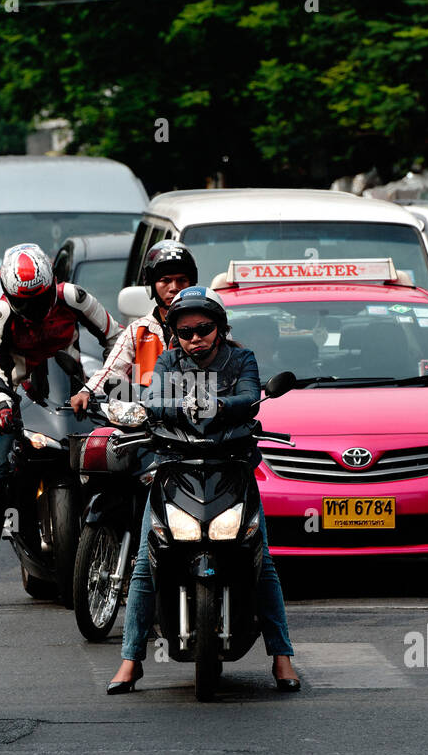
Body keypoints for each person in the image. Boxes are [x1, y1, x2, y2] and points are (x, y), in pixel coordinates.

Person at [106, 286, 300, 693]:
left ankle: (282, 656)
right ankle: (130, 659)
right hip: (175, 469)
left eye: (204, 329)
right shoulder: (166, 360)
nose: (196, 338)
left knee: (262, 562)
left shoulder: (242, 358)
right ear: (175, 334)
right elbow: (151, 399)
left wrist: (213, 403)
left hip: (232, 468)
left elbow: (250, 394)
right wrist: (179, 406)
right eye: (186, 331)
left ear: (220, 328)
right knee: (145, 564)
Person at [0, 243, 123, 609]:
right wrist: (1, 404)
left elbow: (115, 336)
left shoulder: (74, 297)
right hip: (21, 401)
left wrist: (108, 382)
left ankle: (125, 568)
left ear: (51, 285)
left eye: (40, 298)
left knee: (120, 464)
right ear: (10, 294)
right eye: (25, 302)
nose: (34, 308)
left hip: (76, 398)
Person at [69, 239, 196, 413]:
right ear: (152, 285)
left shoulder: (209, 326)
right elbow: (113, 370)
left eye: (182, 280)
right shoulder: (138, 330)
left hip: (200, 418)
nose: (174, 287)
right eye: (165, 280)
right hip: (149, 422)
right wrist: (87, 391)